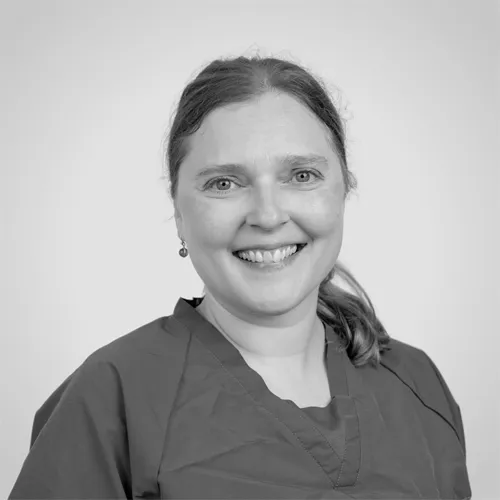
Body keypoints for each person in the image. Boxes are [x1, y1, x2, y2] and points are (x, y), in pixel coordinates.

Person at [9, 55, 471, 499]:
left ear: (343, 189)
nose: (268, 216)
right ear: (178, 212)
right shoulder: (112, 397)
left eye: (301, 175)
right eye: (224, 183)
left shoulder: (416, 384)